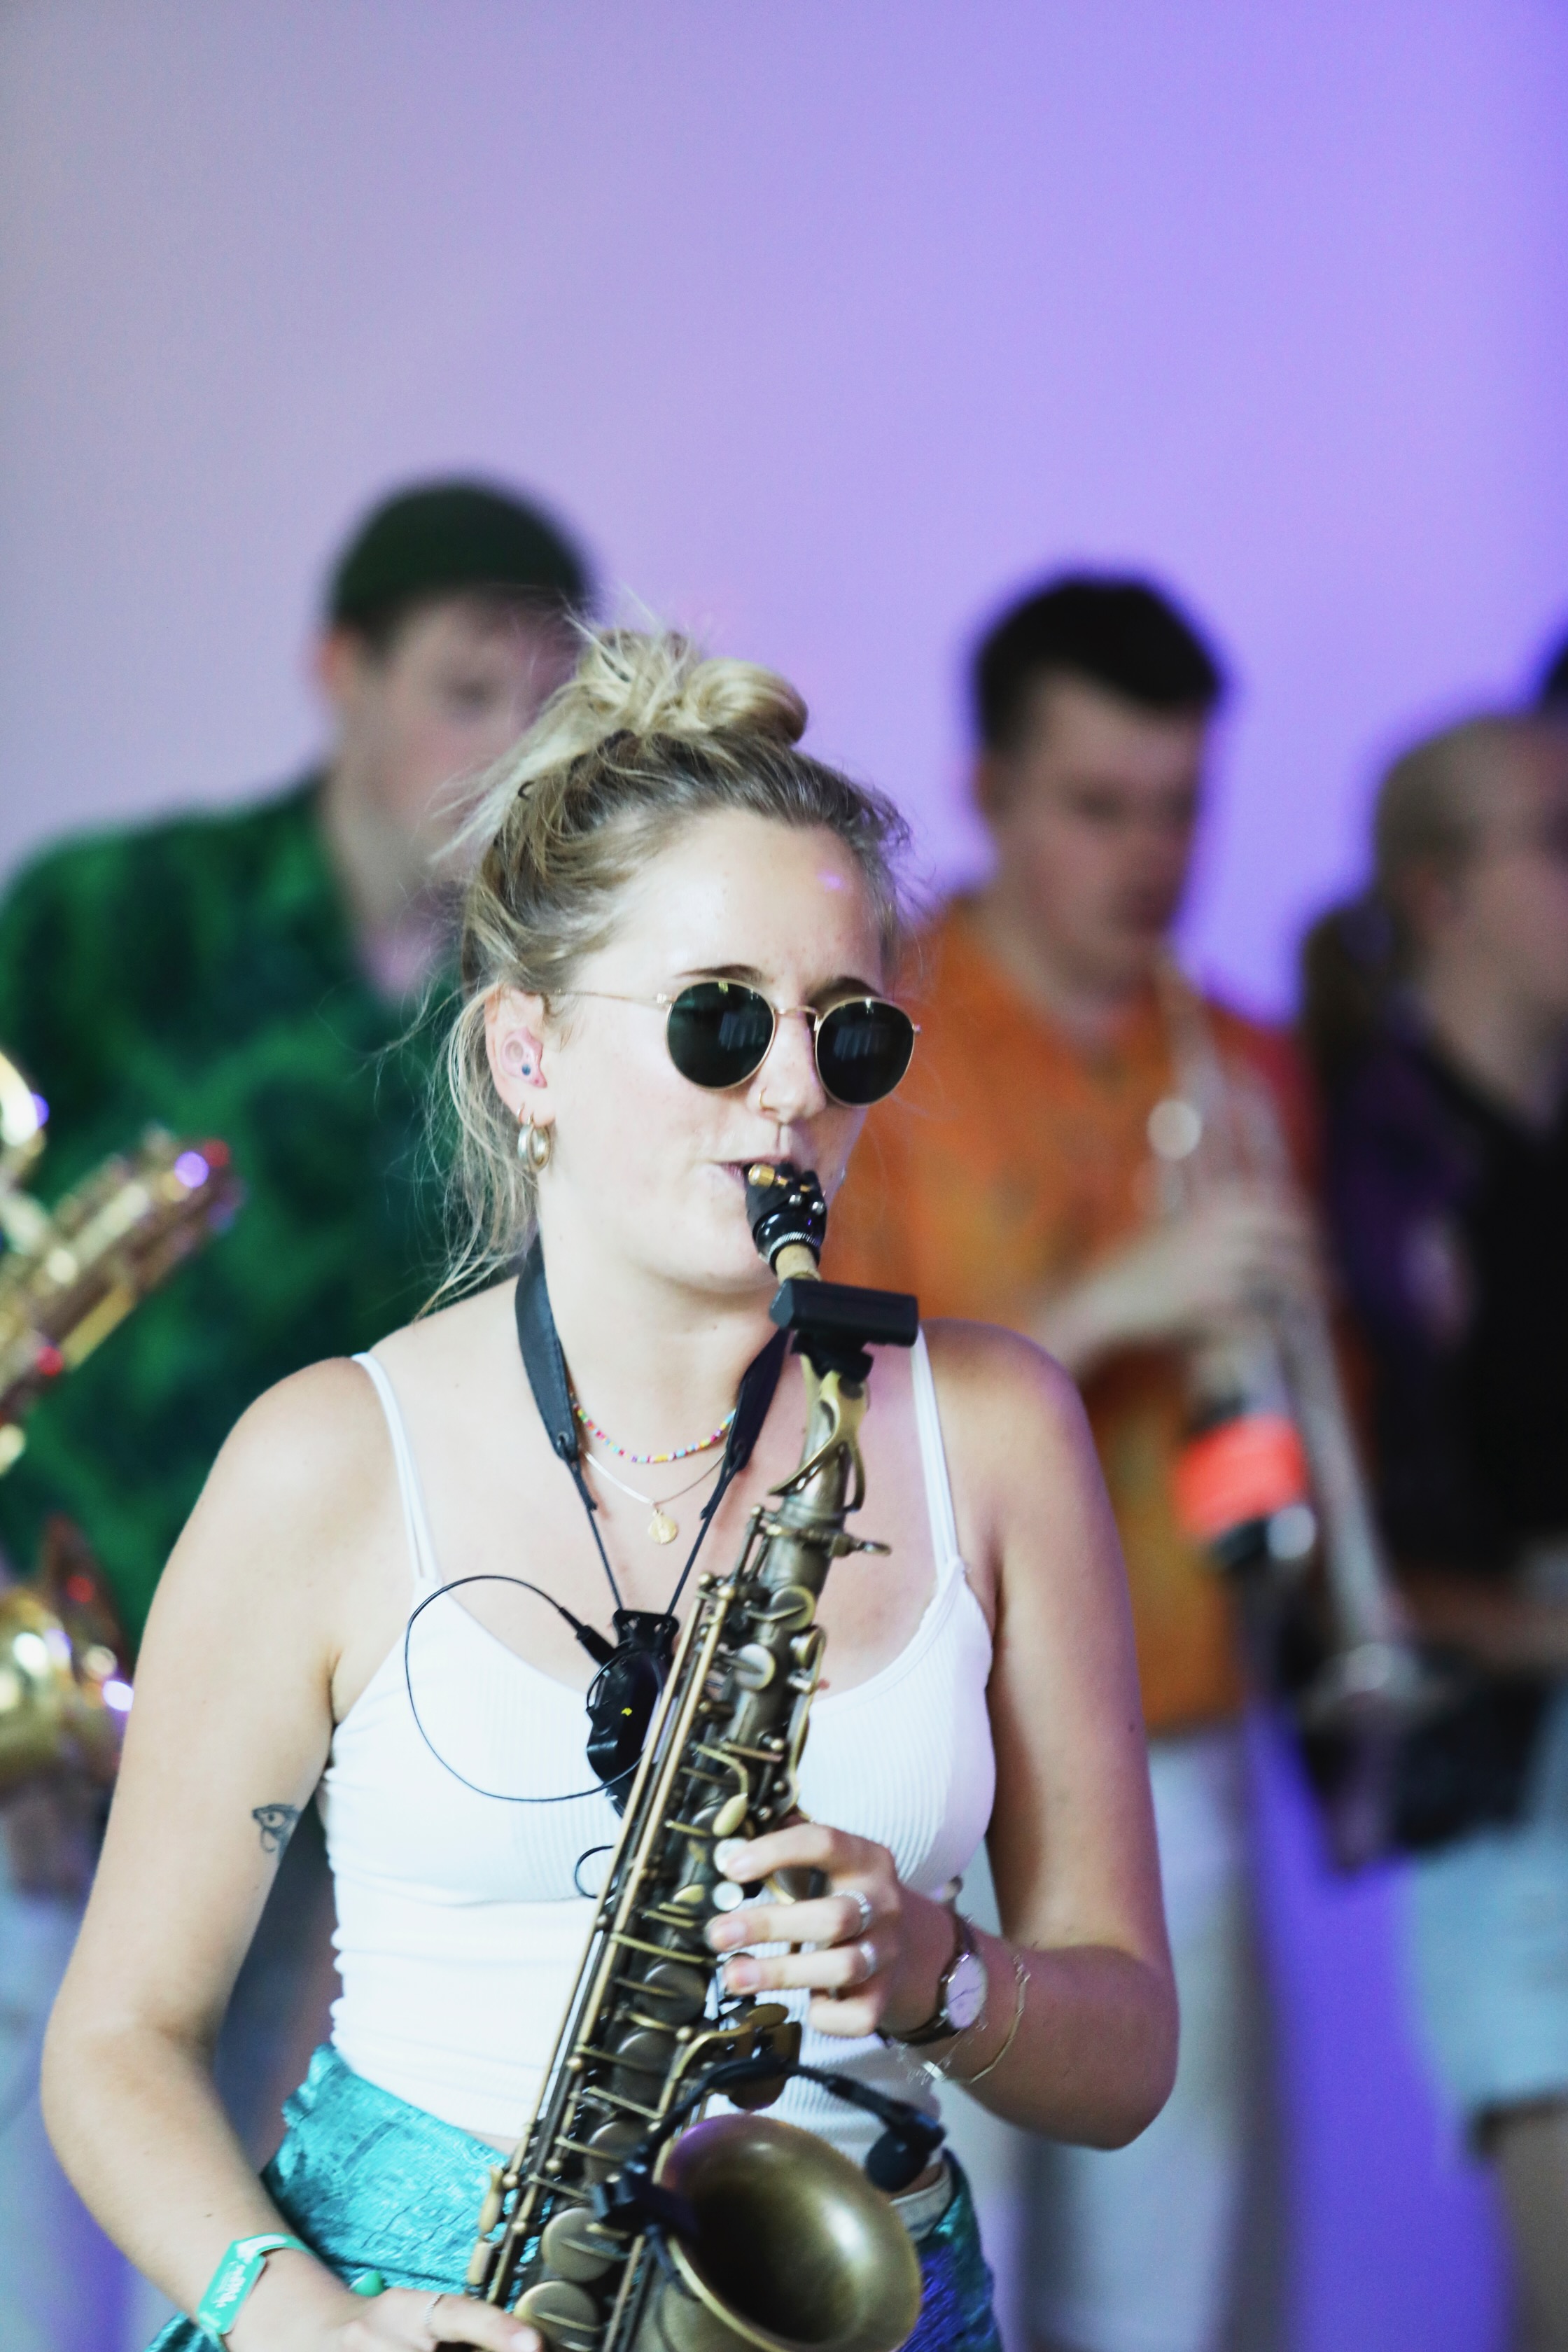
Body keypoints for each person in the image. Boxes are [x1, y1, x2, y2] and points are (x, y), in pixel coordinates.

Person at [41, 629, 1176, 2352]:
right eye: (718, 1021)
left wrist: (938, 1969)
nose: (793, 1092)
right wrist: (309, 2328)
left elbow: (1129, 2055)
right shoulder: (324, 1459)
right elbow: (117, 2043)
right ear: (528, 1055)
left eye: (848, 1035)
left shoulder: (999, 1431)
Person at [0, 477, 591, 2351]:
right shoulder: (105, 920)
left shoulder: (566, 1009)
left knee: (268, 2252)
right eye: (465, 691)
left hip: (343, 1767)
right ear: (343, 673)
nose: (508, 751)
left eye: (548, 705)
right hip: (51, 1733)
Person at [827, 575, 1317, 2352]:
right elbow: (827, 1402)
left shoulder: (1242, 1057)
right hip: (927, 1746)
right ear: (987, 790)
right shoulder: (873, 1039)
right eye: (1098, 807)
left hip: (1175, 1738)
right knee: (939, 2278)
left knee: (1164, 2290)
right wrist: (1107, 1302)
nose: (1149, 859)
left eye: (1180, 808)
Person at [1300, 713, 1568, 2352]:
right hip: (1502, 1779)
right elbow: (1344, 1547)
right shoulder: (1362, 1157)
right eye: (1557, 836)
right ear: (1439, 894)